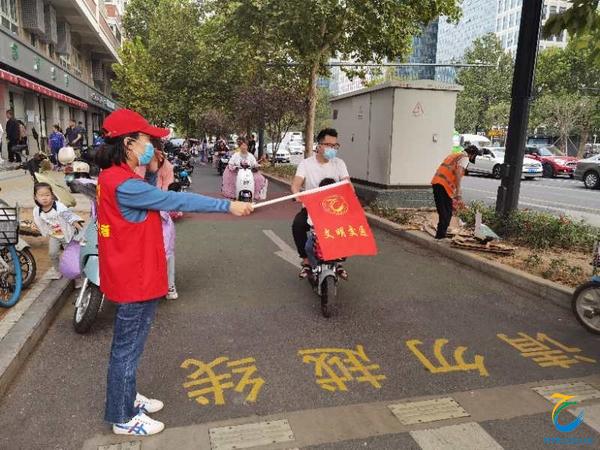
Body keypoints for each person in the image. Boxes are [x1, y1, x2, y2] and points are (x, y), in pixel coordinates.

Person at [96, 109, 253, 436]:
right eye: (147, 140)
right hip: (134, 280)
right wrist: (228, 205)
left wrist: (151, 172)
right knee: (127, 350)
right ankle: (123, 417)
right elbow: (172, 200)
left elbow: (145, 202)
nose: (152, 146)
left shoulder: (114, 176)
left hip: (130, 274)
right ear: (128, 144)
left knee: (130, 348)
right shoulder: (124, 184)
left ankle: (126, 397)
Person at [291, 128, 350, 279]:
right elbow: (296, 184)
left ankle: (338, 261)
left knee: (348, 226)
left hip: (334, 209)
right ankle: (306, 261)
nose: (332, 149)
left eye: (335, 145)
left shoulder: (339, 163)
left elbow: (347, 184)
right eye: (328, 145)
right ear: (319, 145)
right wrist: (297, 194)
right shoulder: (306, 164)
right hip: (312, 208)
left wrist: (351, 195)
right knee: (298, 224)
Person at [32, 182, 84, 280]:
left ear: (52, 195)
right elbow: (38, 221)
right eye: (41, 195)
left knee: (71, 256)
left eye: (47, 195)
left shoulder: (59, 207)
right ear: (35, 197)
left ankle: (78, 278)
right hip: (54, 236)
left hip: (67, 235)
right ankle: (58, 271)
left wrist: (81, 230)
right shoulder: (37, 210)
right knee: (52, 253)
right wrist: (37, 227)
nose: (44, 198)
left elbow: (70, 218)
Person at [431, 144, 479, 240]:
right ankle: (440, 237)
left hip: (437, 183)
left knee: (444, 212)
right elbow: (458, 172)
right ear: (472, 155)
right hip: (444, 186)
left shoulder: (454, 155)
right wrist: (458, 191)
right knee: (446, 212)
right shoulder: (465, 158)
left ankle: (440, 236)